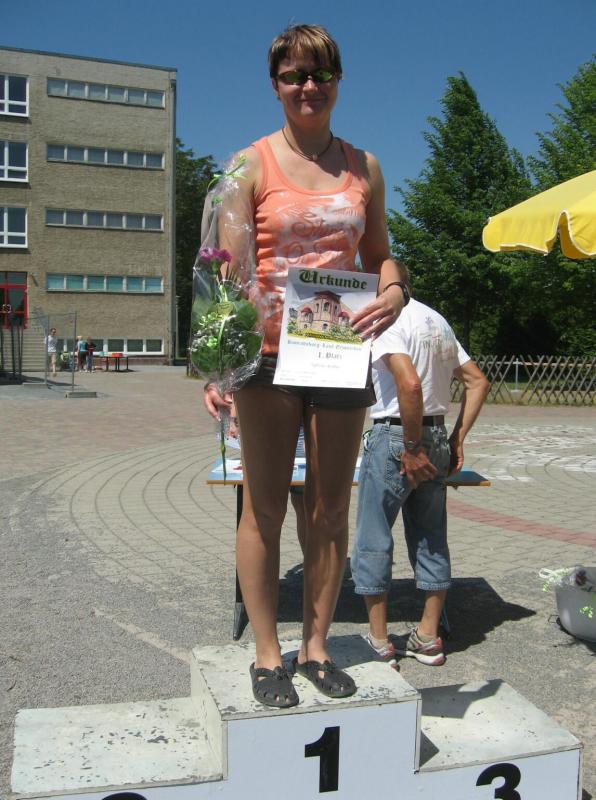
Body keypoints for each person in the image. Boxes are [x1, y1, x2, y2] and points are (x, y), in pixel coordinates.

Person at [203, 24, 410, 708]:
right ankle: (268, 654)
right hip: (266, 358)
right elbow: (224, 270)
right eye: (294, 75)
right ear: (276, 85)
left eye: (320, 73)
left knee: (328, 509)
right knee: (263, 508)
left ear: (338, 80)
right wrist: (219, 366)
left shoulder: (364, 166)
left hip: (338, 353)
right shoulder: (249, 165)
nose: (308, 86)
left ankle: (316, 646)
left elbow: (380, 252)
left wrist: (394, 291)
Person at [351, 290, 489, 667]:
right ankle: (428, 636)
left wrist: (411, 447)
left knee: (374, 536)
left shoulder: (387, 319)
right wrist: (457, 438)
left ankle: (379, 641)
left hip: (397, 436)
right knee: (431, 536)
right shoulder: (437, 322)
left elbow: (409, 384)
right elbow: (477, 381)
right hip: (438, 434)